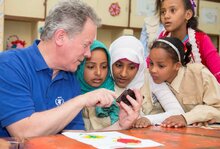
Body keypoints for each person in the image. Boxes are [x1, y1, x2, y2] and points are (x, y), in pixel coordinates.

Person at [0, 0, 142, 138]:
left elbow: (76, 137)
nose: (88, 53)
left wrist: (119, 126)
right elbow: (23, 132)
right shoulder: (10, 65)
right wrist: (81, 100)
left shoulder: (69, 76)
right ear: (60, 37)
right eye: (85, 45)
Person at [109, 35, 184, 128]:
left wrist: (148, 119)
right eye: (118, 65)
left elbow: (177, 112)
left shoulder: (150, 78)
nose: (123, 74)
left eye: (132, 67)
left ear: (140, 66)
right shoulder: (102, 82)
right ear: (111, 61)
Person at [149, 37, 220, 128]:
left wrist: (186, 118)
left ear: (177, 66)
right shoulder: (151, 80)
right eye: (151, 63)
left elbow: (217, 108)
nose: (153, 70)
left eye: (161, 66)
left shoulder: (198, 74)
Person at [156, 0, 220, 83]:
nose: (166, 16)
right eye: (163, 12)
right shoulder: (163, 37)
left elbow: (218, 73)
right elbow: (150, 65)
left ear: (188, 14)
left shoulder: (201, 40)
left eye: (172, 10)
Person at [76, 40, 119, 130]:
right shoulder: (69, 92)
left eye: (104, 67)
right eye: (91, 67)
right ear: (80, 66)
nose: (98, 73)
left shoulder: (114, 92)